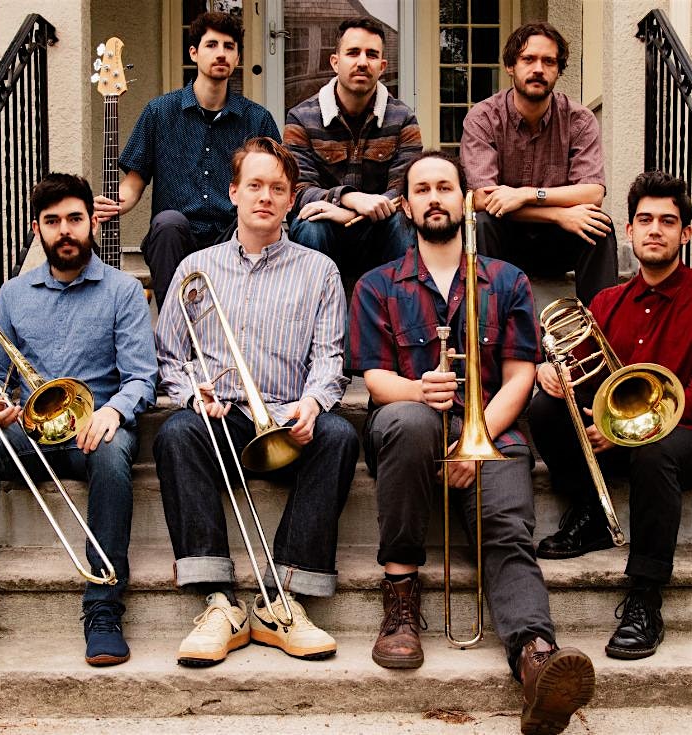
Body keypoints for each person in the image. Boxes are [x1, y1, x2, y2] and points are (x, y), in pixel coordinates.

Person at [349, 151, 595, 735]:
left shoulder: (506, 280)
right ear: (406, 206)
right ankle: (400, 596)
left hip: (490, 430)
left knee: (507, 531)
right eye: (422, 190)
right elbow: (376, 380)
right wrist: (417, 389)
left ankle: (536, 659)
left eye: (445, 187)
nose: (434, 198)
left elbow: (520, 375)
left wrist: (472, 441)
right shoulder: (376, 285)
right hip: (407, 431)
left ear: (464, 200)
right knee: (408, 421)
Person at [154, 137, 359, 667]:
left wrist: (313, 404)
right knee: (175, 433)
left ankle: (282, 597)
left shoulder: (319, 270)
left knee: (340, 435)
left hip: (287, 420)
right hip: (222, 419)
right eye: (254, 186)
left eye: (277, 188)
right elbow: (170, 355)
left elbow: (330, 358)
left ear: (291, 199)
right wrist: (191, 393)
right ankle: (219, 600)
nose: (265, 197)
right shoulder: (195, 268)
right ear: (234, 193)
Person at [0, 173, 157, 666]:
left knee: (112, 455)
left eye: (74, 218)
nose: (65, 230)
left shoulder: (123, 291)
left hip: (96, 427)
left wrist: (114, 411)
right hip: (32, 430)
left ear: (92, 223)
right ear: (37, 229)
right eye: (52, 221)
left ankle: (104, 607)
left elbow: (142, 377)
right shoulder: (13, 295)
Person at [529, 170, 692, 661]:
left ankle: (645, 595)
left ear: (685, 233)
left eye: (668, 221)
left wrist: (629, 432)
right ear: (629, 230)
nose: (655, 230)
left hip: (680, 441)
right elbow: (577, 366)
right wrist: (551, 371)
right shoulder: (606, 301)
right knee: (546, 407)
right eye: (645, 220)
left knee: (656, 450)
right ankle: (592, 515)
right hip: (615, 437)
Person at [94, 11, 280, 309]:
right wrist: (111, 203)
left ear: (237, 57)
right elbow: (134, 182)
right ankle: (174, 326)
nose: (221, 53)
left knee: (251, 225)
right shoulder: (159, 112)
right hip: (176, 238)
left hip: (233, 235)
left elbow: (276, 182)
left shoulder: (257, 119)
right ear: (193, 52)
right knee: (168, 223)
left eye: (229, 46)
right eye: (212, 45)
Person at [460, 21, 618, 305]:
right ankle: (489, 321)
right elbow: (483, 198)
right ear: (510, 66)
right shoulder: (483, 118)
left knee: (599, 225)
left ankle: (600, 322)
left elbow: (593, 192)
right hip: (503, 240)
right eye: (528, 59)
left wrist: (527, 194)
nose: (538, 69)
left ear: (558, 70)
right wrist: (557, 214)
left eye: (549, 61)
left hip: (557, 243)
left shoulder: (578, 120)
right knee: (481, 222)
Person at [284, 17, 421, 276]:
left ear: (382, 67)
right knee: (310, 224)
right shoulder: (301, 117)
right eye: (353, 52)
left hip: (380, 229)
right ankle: (315, 300)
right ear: (335, 62)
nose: (362, 62)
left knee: (403, 223)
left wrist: (354, 215)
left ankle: (401, 300)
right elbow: (298, 190)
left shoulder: (403, 119)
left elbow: (404, 191)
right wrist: (348, 198)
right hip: (325, 227)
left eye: (371, 55)